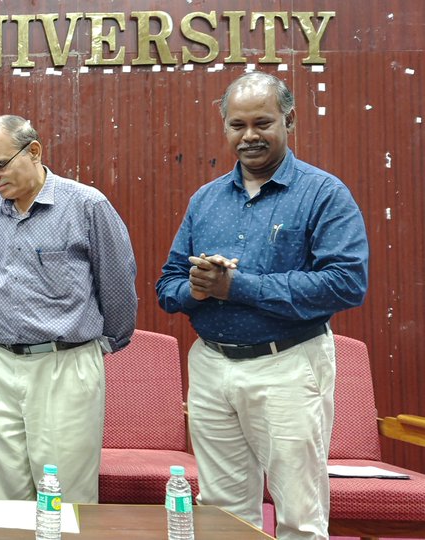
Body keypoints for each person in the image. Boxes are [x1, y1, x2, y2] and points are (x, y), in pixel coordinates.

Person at [157, 72, 368, 539]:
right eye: (237, 125)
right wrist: (196, 286)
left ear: (288, 119)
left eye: (262, 122)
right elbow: (166, 286)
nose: (248, 136)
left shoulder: (323, 194)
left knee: (297, 512)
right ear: (225, 128)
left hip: (289, 365)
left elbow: (346, 284)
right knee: (221, 511)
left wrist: (238, 286)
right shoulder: (205, 199)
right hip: (211, 366)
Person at [0, 115, 137, 504]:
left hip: (65, 363)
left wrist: (98, 347)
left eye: (0, 165)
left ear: (34, 151)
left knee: (64, 494)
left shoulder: (86, 205)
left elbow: (117, 284)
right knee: (3, 492)